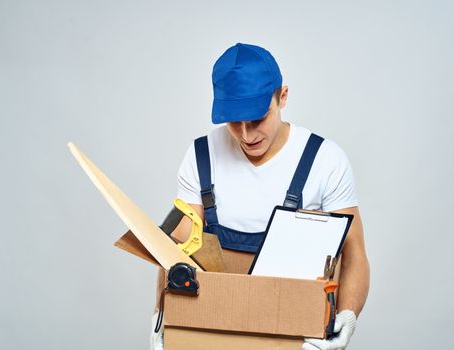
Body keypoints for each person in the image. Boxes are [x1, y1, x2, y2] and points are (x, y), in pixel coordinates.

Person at [151, 43, 369, 350]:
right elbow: (176, 253)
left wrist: (348, 316)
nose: (246, 135)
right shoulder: (201, 156)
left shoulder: (325, 160)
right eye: (234, 123)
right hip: (213, 334)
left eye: (257, 119)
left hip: (295, 337)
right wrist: (162, 319)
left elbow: (355, 254)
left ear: (282, 97)